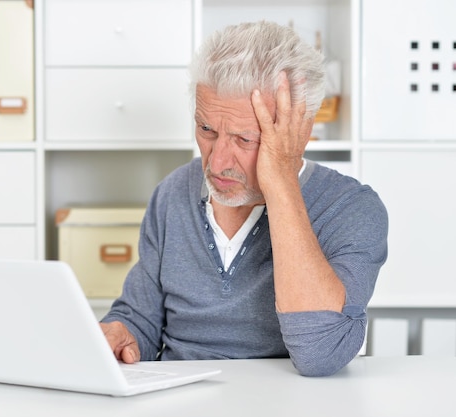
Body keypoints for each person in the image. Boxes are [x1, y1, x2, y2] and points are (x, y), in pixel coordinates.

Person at [99, 21, 388, 377]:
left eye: (245, 139)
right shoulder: (172, 193)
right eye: (207, 130)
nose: (216, 163)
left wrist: (280, 179)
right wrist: (120, 333)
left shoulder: (351, 209)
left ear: (300, 131)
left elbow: (320, 353)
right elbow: (139, 317)